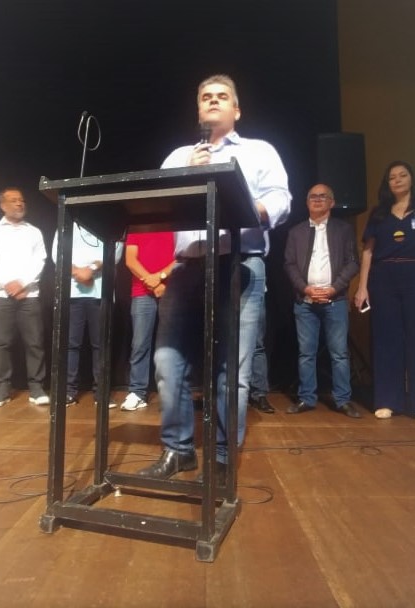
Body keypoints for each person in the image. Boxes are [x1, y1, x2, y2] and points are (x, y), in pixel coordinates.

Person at [137, 74, 291, 481]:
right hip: (187, 267)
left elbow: (279, 200)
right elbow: (156, 202)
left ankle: (222, 458)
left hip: (240, 263)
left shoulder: (259, 151)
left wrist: (238, 197)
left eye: (222, 97)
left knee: (232, 369)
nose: (213, 101)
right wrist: (187, 175)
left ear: (236, 110)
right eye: (206, 97)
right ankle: (178, 451)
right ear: (198, 109)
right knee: (168, 362)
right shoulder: (179, 155)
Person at [354, 161, 415, 422]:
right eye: (392, 177)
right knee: (386, 339)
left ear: (412, 179)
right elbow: (368, 251)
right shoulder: (379, 213)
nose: (398, 180)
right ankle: (388, 400)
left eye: (403, 175)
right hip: (384, 278)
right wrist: (362, 287)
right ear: (387, 184)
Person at [284, 183, 361, 417]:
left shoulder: (343, 230)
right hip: (305, 302)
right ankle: (307, 398)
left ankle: (343, 400)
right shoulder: (295, 232)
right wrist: (305, 288)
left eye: (323, 196)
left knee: (339, 353)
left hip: (335, 300)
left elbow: (353, 263)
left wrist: (334, 288)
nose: (317, 199)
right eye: (313, 197)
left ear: (332, 202)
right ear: (307, 202)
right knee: (306, 354)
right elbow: (289, 264)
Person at [0, 188, 49, 407]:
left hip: (29, 294)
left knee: (34, 342)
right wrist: (7, 284)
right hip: (1, 295)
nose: (19, 204)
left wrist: (22, 283)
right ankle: (2, 388)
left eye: (22, 200)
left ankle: (36, 387)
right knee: (1, 343)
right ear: (2, 205)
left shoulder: (34, 232)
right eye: (13, 200)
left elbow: (40, 260)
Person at [51, 222, 122, 408]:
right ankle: (68, 392)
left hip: (101, 293)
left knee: (100, 345)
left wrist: (91, 269)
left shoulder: (107, 224)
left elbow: (116, 253)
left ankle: (101, 392)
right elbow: (57, 255)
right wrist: (77, 271)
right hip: (72, 293)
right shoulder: (67, 224)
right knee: (70, 345)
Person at [121, 232, 175, 411]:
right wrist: (153, 282)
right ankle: (137, 392)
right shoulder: (137, 227)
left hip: (171, 289)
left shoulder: (176, 225)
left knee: (172, 345)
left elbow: (182, 257)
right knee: (139, 344)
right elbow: (130, 260)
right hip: (142, 292)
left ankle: (172, 392)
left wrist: (160, 277)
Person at [248, 300, 274, 413]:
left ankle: (259, 395)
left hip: (255, 295)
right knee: (227, 344)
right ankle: (225, 392)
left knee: (257, 346)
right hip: (228, 295)